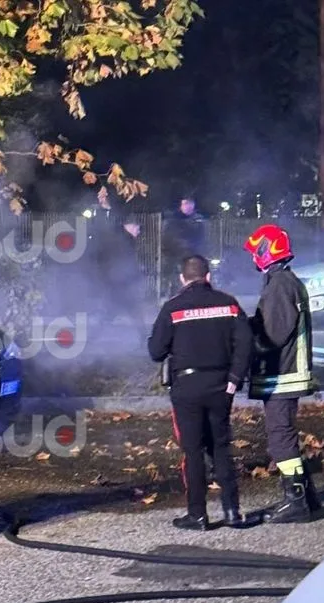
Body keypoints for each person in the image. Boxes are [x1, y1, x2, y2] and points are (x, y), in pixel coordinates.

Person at [148, 255, 253, 530]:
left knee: (193, 451)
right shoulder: (229, 304)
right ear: (208, 276)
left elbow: (156, 351)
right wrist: (235, 379)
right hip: (221, 385)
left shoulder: (172, 308)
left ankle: (198, 514)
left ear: (182, 279)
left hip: (186, 387)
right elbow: (245, 343)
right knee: (221, 446)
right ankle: (232, 511)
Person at [243, 224, 321, 524]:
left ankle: (296, 501)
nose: (253, 258)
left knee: (280, 438)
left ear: (267, 250)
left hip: (283, 375)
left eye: (256, 252)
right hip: (288, 372)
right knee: (284, 435)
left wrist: (246, 338)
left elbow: (273, 335)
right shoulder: (285, 281)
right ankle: (307, 498)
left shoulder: (279, 285)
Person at [91, 217, 148, 345]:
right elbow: (121, 262)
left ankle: (92, 335)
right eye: (137, 228)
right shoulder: (122, 241)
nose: (138, 231)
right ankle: (144, 337)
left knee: (112, 311)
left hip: (118, 282)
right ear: (130, 226)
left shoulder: (122, 238)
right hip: (120, 282)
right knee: (130, 310)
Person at [161, 196, 209, 298]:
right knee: (177, 283)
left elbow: (203, 238)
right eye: (185, 204)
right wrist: (182, 248)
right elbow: (168, 239)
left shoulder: (198, 220)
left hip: (194, 257)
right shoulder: (173, 220)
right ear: (181, 205)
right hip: (176, 257)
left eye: (190, 204)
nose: (188, 206)